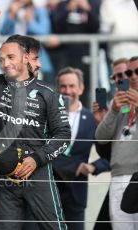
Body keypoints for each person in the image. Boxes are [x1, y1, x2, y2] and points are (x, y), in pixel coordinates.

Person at [0, 5, 71, 230]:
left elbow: (64, 135)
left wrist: (36, 159)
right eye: (1, 59)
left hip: (38, 173)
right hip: (5, 179)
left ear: (26, 58)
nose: (5, 63)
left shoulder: (48, 93)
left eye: (11, 57)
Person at [53, 67, 109, 230]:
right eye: (63, 86)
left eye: (72, 86)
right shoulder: (48, 116)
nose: (68, 90)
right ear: (58, 89)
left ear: (81, 88)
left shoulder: (93, 119)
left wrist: (93, 166)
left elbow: (112, 155)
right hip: (49, 191)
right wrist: (74, 166)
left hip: (76, 194)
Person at [95, 56, 138, 230]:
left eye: (137, 72)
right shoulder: (118, 102)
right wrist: (112, 111)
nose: (133, 76)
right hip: (118, 177)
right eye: (129, 72)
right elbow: (101, 138)